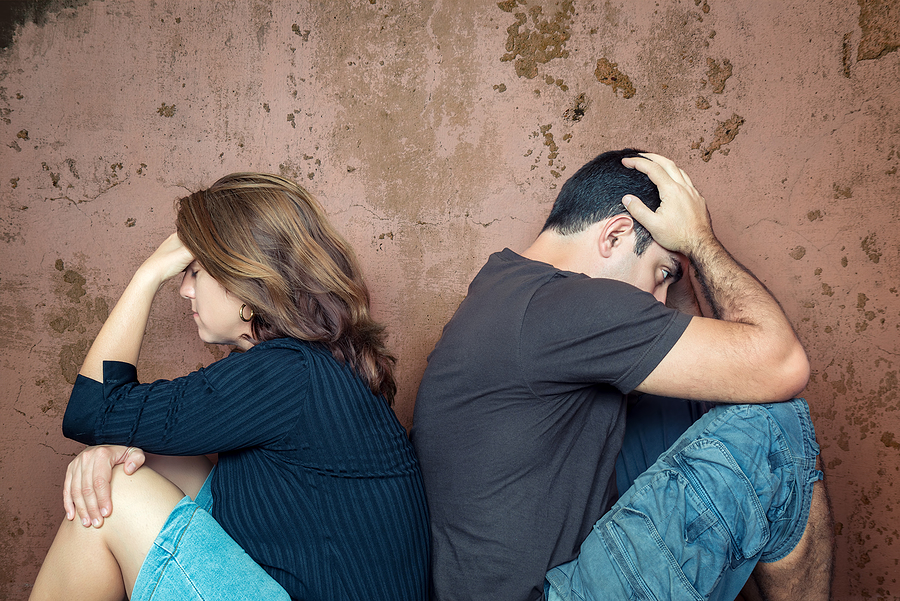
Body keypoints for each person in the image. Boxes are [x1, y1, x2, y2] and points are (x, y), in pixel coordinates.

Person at [410, 150, 834, 601]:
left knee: (688, 411)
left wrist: (679, 260)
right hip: (547, 596)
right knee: (773, 431)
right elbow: (782, 366)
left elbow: (722, 378)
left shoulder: (513, 291)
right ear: (615, 235)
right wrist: (698, 240)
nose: (659, 300)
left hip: (543, 579)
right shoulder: (568, 306)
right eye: (661, 274)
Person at [30, 173, 430, 601]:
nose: (184, 290)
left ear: (246, 282)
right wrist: (116, 448)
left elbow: (93, 411)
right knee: (144, 464)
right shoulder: (314, 363)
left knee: (113, 498)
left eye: (194, 272)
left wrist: (148, 275)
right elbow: (111, 423)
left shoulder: (284, 373)